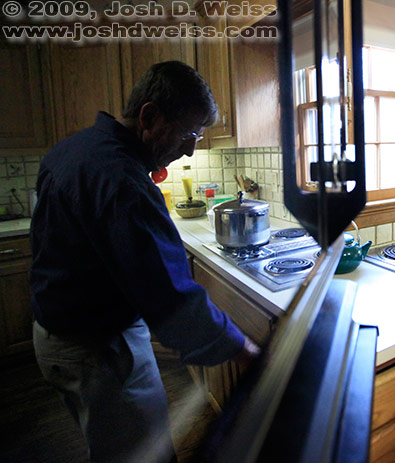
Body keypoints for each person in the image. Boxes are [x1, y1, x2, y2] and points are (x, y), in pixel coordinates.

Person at [30, 61, 260, 463]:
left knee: (114, 446)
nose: (190, 149)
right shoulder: (122, 180)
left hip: (58, 336)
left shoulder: (73, 149)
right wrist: (245, 351)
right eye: (189, 134)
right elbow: (170, 296)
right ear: (150, 117)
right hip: (96, 348)